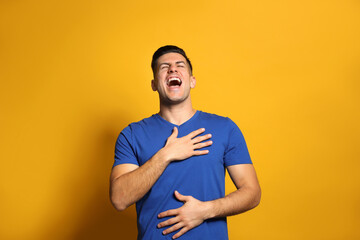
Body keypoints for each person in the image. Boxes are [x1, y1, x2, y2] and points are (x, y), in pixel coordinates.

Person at [110, 45, 261, 240]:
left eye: (179, 65)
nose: (172, 69)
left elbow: (252, 192)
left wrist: (205, 210)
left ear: (192, 81)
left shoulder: (225, 128)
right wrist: (165, 155)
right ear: (154, 84)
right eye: (164, 67)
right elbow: (119, 199)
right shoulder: (132, 135)